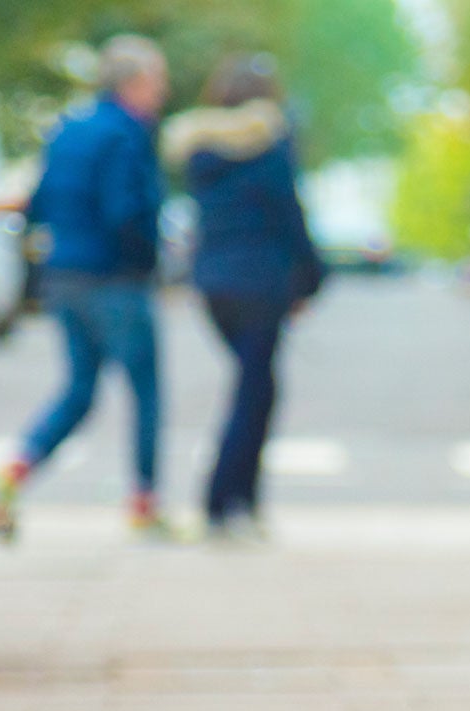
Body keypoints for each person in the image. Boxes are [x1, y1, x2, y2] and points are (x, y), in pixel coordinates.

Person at [0, 35, 169, 538]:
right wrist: (148, 260)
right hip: (115, 278)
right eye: (157, 81)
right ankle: (144, 503)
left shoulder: (68, 130)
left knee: (79, 390)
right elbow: (126, 212)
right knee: (146, 392)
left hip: (64, 276)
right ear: (134, 83)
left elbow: (40, 202)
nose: (161, 92)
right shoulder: (126, 134)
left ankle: (12, 474)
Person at [163, 54, 324, 539]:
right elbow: (288, 215)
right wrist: (312, 277)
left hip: (214, 284)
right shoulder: (271, 146)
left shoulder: (200, 149)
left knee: (254, 387)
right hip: (262, 283)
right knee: (256, 391)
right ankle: (226, 503)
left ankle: (237, 502)